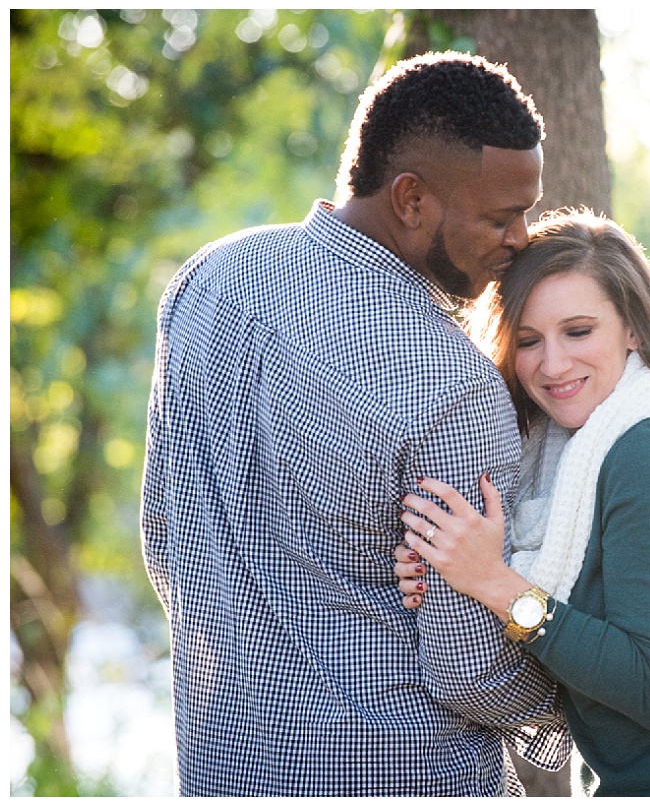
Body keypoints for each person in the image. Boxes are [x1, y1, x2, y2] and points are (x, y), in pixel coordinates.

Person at [139, 51, 570, 796]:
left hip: (222, 768)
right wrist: (587, 698)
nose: (522, 239)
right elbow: (468, 670)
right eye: (500, 217)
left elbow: (165, 535)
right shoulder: (454, 388)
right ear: (411, 199)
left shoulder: (209, 278)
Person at [392, 210, 650, 797]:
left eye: (578, 331)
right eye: (529, 341)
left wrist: (495, 582)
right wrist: (449, 572)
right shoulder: (567, 463)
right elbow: (576, 648)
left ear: (632, 328)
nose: (552, 365)